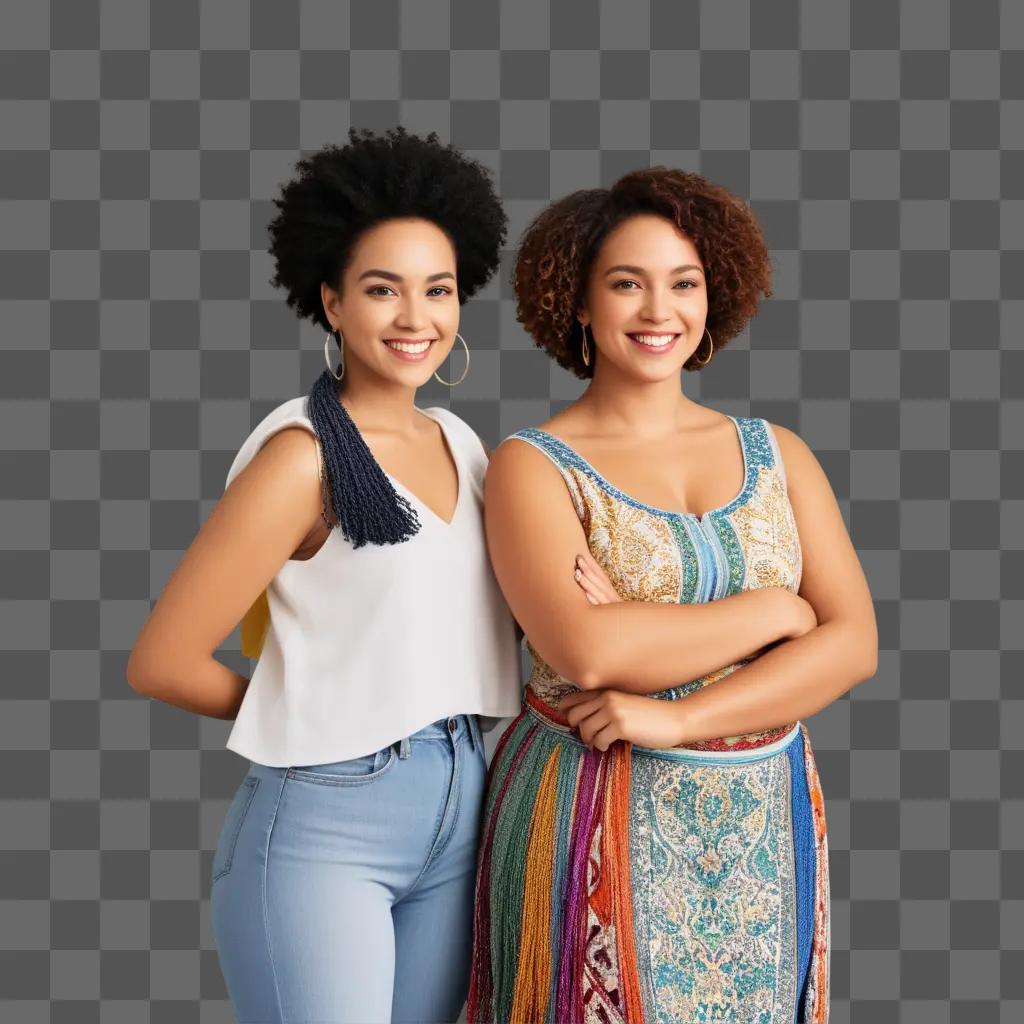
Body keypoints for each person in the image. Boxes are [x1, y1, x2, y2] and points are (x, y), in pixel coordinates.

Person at [127, 128, 525, 1024]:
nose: (415, 318)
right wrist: (310, 704)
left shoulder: (464, 447)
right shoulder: (302, 460)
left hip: (466, 809)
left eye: (439, 290)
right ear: (332, 302)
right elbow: (163, 660)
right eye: (383, 290)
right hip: (325, 822)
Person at [469, 167, 877, 1022]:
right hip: (593, 804)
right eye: (627, 283)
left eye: (683, 283)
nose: (660, 311)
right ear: (578, 302)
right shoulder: (531, 466)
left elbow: (854, 647)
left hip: (765, 815)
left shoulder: (780, 453)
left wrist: (676, 712)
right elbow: (591, 653)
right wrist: (779, 614)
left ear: (713, 295)